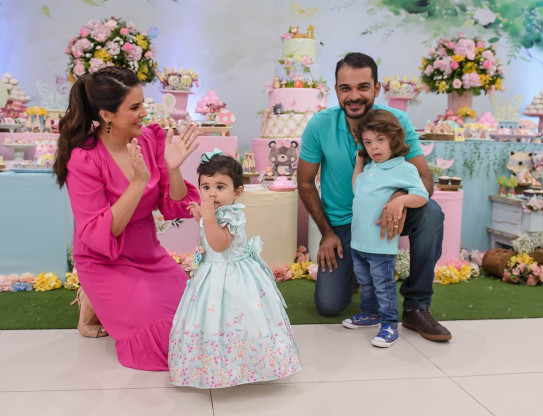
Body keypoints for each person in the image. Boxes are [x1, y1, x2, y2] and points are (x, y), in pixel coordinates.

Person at [53, 66, 201, 370]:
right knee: (166, 341)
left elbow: (172, 205)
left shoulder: (149, 140)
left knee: (199, 320)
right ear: (107, 115)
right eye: (134, 107)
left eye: (143, 103)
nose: (144, 112)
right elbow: (99, 232)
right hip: (105, 260)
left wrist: (173, 169)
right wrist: (137, 183)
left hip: (148, 253)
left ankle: (94, 300)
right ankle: (92, 294)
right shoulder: (84, 159)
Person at [298, 52, 451, 341]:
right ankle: (359, 275)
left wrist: (398, 199)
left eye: (363, 87)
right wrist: (327, 233)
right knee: (329, 306)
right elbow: (305, 183)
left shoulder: (397, 121)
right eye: (346, 88)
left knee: (431, 213)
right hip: (345, 225)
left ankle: (416, 306)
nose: (354, 96)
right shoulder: (319, 125)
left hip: (387, 217)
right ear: (336, 90)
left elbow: (424, 180)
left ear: (377, 88)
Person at [168, 150, 301, 388]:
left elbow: (219, 244)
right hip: (211, 273)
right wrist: (202, 217)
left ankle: (245, 365)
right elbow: (209, 234)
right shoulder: (214, 213)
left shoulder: (232, 215)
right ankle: (209, 365)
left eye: (220, 187)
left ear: (237, 192)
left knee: (238, 319)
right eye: (206, 187)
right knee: (209, 318)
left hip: (233, 276)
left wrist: (207, 218)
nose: (212, 194)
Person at [342, 109, 428, 348]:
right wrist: (359, 163)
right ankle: (370, 314)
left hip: (380, 246)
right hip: (359, 242)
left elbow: (421, 195)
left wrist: (401, 201)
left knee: (383, 286)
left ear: (394, 139)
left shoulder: (403, 168)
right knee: (366, 283)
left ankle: (389, 324)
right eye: (368, 142)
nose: (374, 147)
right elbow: (356, 187)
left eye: (380, 140)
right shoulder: (370, 168)